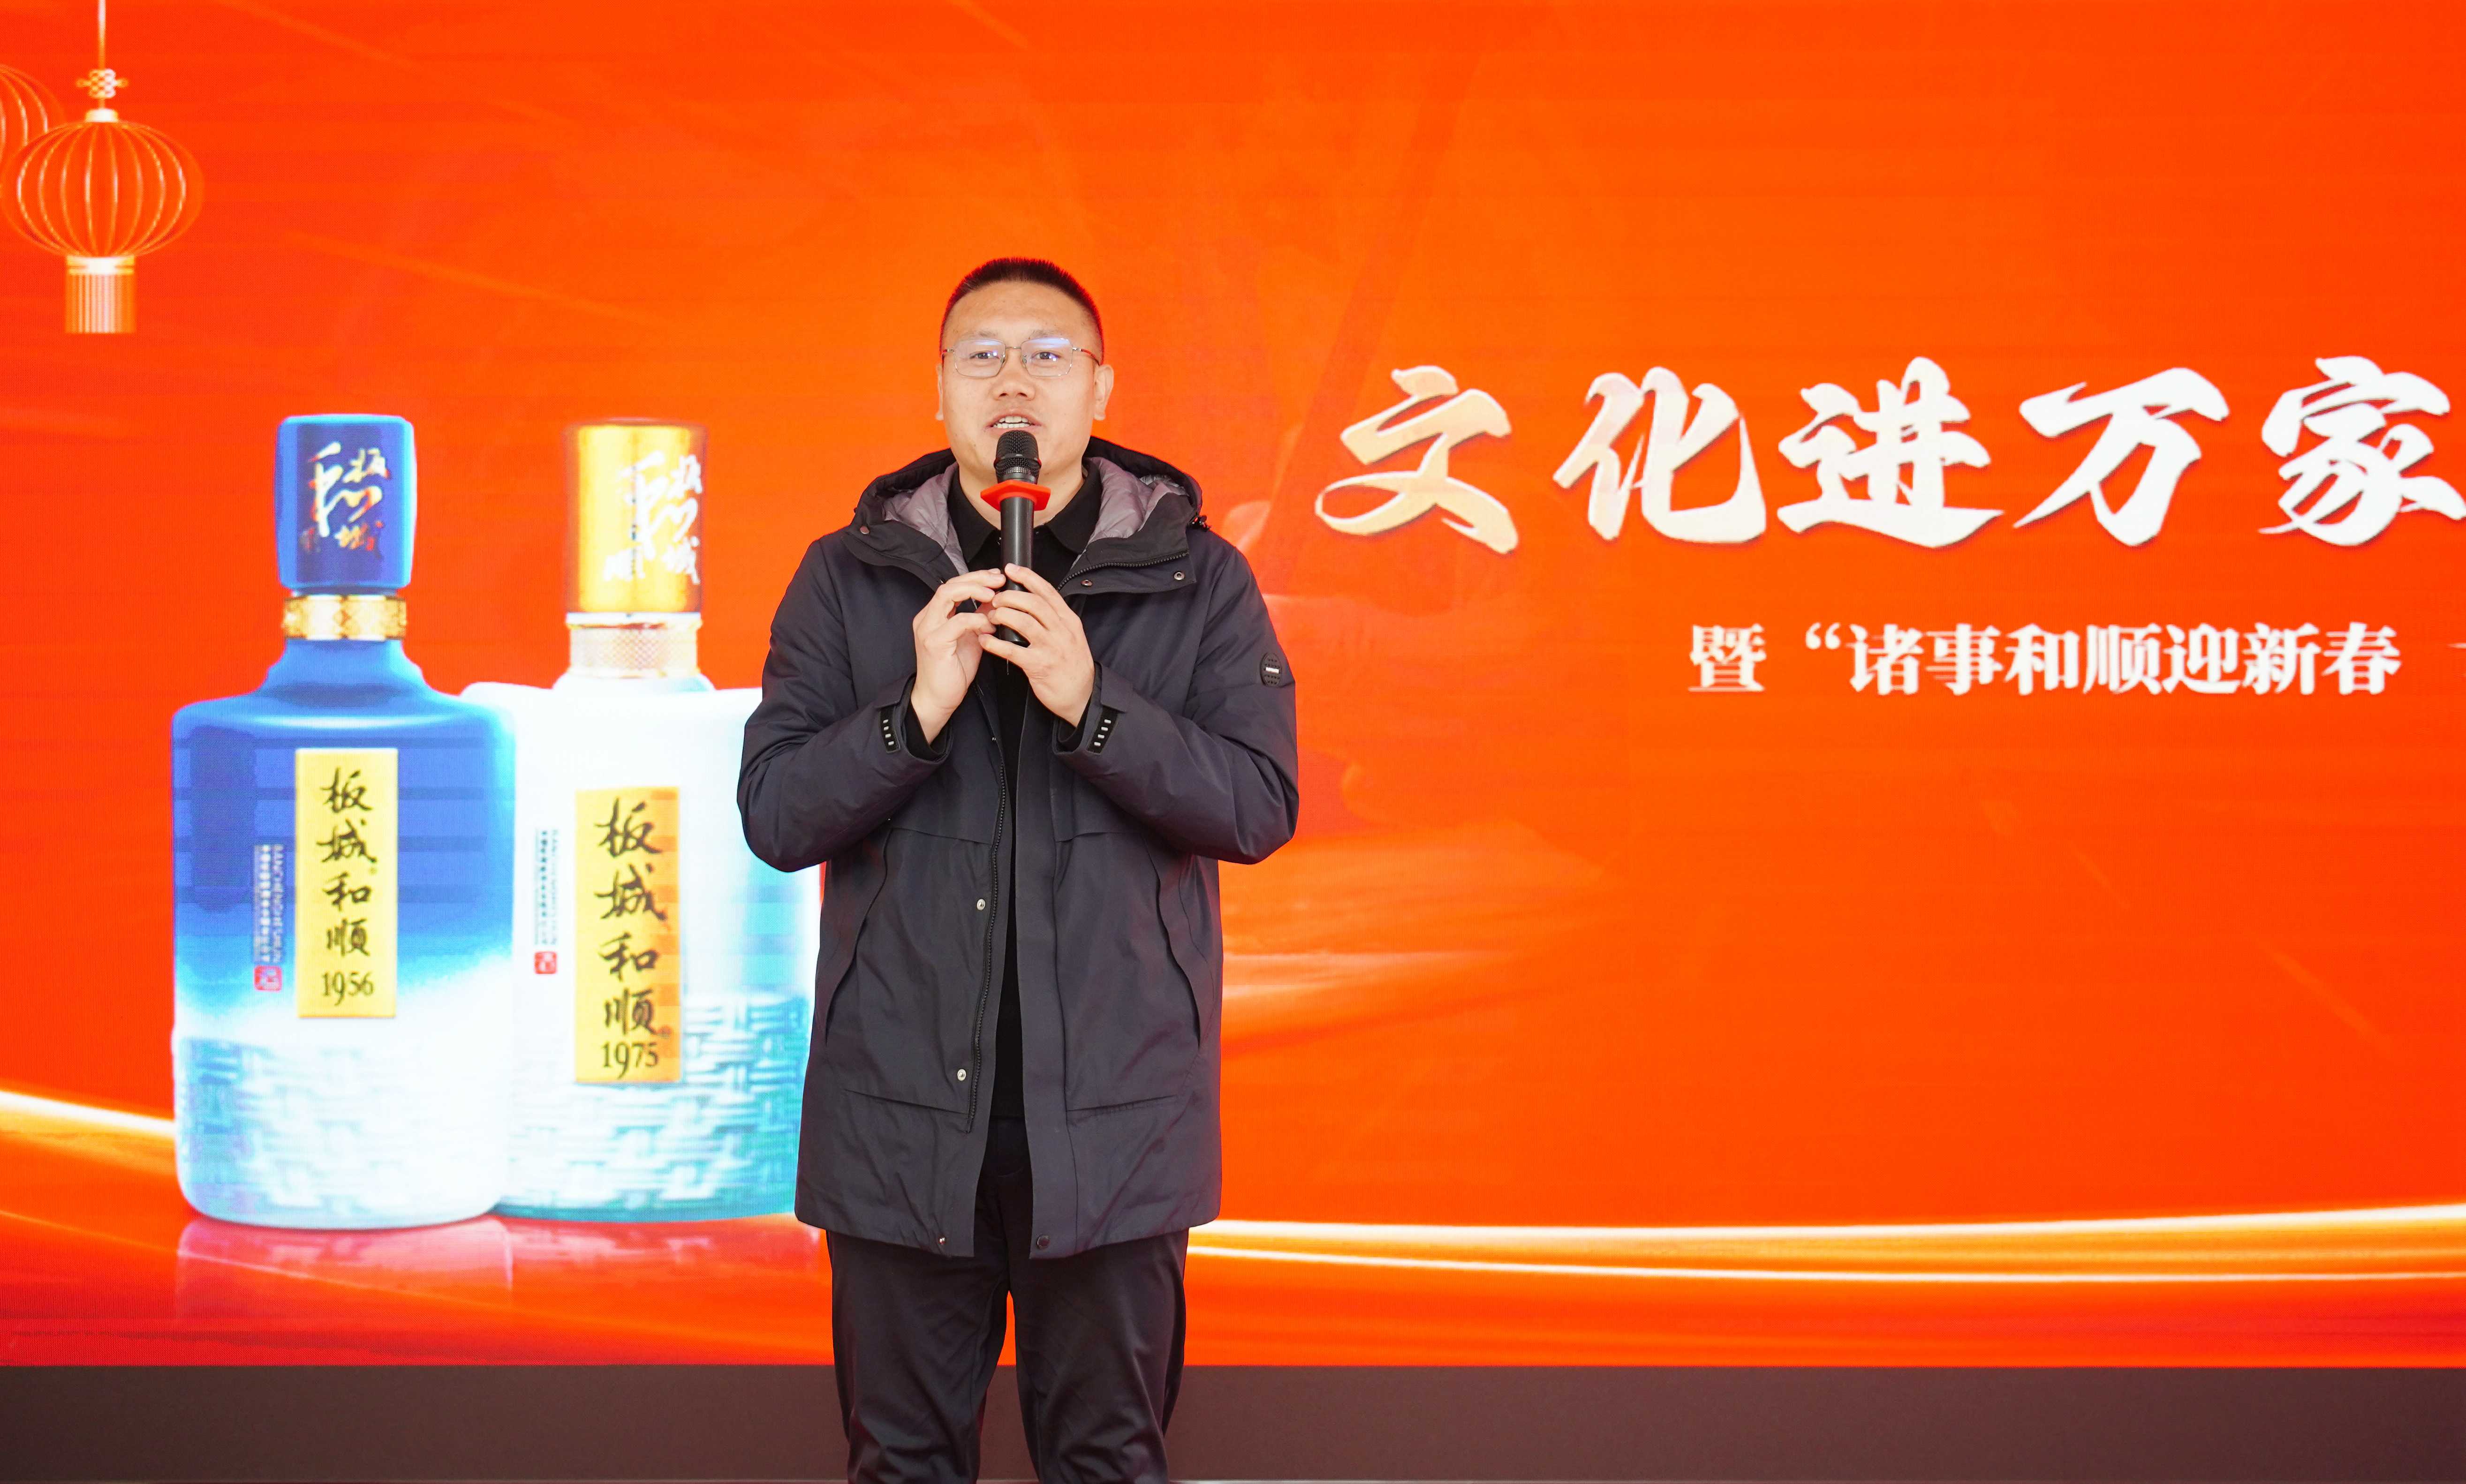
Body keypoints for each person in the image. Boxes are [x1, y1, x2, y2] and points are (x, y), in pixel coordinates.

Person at [739, 257, 1300, 1484]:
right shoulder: (848, 575)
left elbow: (1258, 806)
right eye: (982, 355)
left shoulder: (1196, 575)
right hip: (897, 1120)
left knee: (1106, 1461)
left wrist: (1094, 704)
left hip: (1115, 1122)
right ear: (939, 388)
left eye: (1048, 356)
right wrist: (913, 714)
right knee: (901, 1464)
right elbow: (776, 816)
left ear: (1100, 389)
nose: (1013, 382)